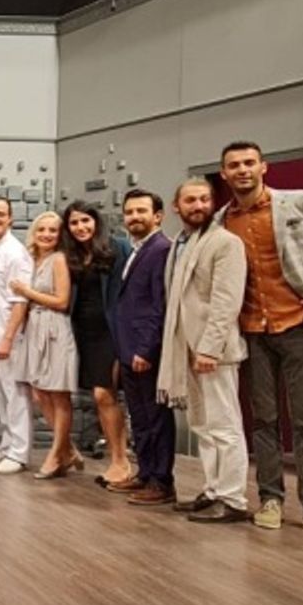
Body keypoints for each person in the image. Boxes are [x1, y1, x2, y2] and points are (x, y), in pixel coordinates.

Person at [215, 141, 303, 540]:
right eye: (234, 165)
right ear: (224, 174)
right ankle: (270, 499)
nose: (242, 170)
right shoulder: (221, 220)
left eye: (249, 163)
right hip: (254, 333)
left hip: (302, 328)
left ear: (264, 167)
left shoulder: (300, 202)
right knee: (264, 421)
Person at [158, 178, 250, 524]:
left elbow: (227, 301)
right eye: (190, 200)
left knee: (224, 425)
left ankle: (233, 498)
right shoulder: (182, 243)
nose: (198, 206)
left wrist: (210, 348)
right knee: (202, 424)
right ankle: (212, 490)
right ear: (176, 206)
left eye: (204, 200)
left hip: (214, 352)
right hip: (187, 347)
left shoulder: (226, 243)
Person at [61, 200, 133, 487]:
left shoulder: (117, 247)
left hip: (110, 332)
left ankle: (121, 460)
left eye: (85, 221)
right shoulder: (72, 255)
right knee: (99, 397)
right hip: (83, 333)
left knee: (105, 395)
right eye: (74, 223)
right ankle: (116, 459)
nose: (80, 227)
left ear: (96, 221)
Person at [113, 189, 176, 505]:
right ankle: (145, 472)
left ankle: (161, 482)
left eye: (141, 211)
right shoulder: (138, 249)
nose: (134, 217)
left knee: (155, 417)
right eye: (129, 212)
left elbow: (158, 305)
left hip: (145, 350)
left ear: (158, 216)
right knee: (139, 417)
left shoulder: (161, 249)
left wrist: (146, 349)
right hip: (129, 348)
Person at [11, 212, 81, 479]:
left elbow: (62, 301)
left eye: (53, 230)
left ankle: (56, 455)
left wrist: (27, 292)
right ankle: (67, 449)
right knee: (39, 393)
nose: (46, 235)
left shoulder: (59, 259)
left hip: (54, 328)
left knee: (58, 394)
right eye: (42, 229)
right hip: (34, 328)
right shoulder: (31, 259)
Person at [0, 197, 33, 475]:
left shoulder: (17, 252)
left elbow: (20, 301)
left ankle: (19, 451)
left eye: (0, 214)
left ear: (10, 218)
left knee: (15, 394)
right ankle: (5, 445)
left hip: (6, 333)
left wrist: (8, 338)